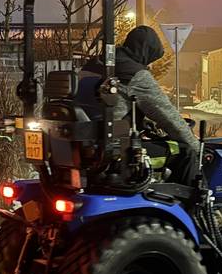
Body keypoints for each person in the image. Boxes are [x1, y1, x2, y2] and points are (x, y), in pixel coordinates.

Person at [78, 24, 199, 168]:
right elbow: (168, 116)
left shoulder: (94, 65)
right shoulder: (135, 74)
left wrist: (141, 121)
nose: (149, 65)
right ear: (145, 52)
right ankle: (202, 190)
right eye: (150, 59)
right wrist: (198, 148)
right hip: (113, 151)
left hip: (83, 144)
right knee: (185, 153)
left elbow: (103, 106)